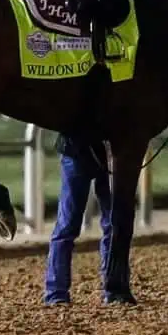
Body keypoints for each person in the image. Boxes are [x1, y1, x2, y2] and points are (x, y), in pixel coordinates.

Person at [43, 131, 113, 306]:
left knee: (113, 224)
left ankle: (113, 289)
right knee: (68, 226)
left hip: (109, 153)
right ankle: (55, 293)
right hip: (77, 151)